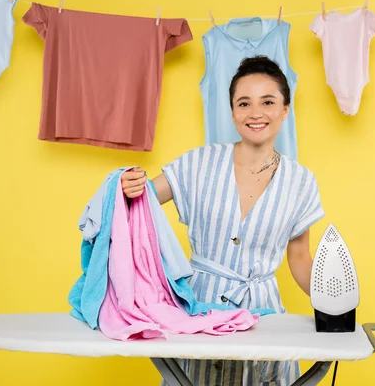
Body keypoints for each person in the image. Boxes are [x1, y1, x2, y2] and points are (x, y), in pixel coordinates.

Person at [121, 55, 324, 386]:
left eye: (268, 102)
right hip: (200, 309)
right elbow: (140, 199)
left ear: (285, 110)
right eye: (244, 103)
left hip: (264, 316)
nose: (255, 113)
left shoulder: (302, 182)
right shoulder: (199, 162)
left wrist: (334, 307)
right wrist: (129, 186)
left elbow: (300, 257)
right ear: (232, 112)